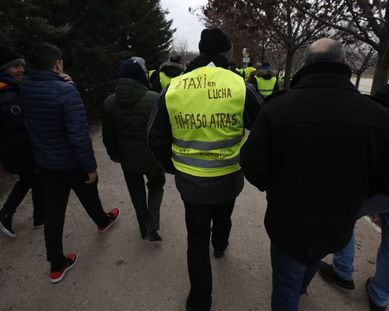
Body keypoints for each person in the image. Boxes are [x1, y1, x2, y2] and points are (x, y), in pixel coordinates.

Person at [240, 38, 389, 311]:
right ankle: (301, 287)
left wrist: (276, 187)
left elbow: (252, 163)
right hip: (338, 219)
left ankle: (297, 290)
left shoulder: (277, 108)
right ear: (344, 63)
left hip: (288, 217)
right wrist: (357, 191)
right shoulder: (378, 115)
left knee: (286, 283)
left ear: (306, 65)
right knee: (312, 258)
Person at [148, 28, 262, 311]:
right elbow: (264, 130)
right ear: (226, 55)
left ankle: (199, 301)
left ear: (200, 52)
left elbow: (154, 137)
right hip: (228, 177)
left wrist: (172, 167)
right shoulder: (239, 86)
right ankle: (221, 245)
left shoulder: (173, 88)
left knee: (196, 241)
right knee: (223, 216)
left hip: (191, 182)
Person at [319, 31, 389, 311]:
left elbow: (369, 134)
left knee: (342, 212)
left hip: (386, 182)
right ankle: (380, 296)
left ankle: (343, 270)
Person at [21, 43, 120, 283]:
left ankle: (56, 264)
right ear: (57, 63)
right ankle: (102, 221)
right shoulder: (65, 92)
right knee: (89, 193)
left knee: (54, 213)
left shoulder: (25, 89)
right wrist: (90, 167)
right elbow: (78, 134)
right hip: (71, 163)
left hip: (46, 162)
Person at [102, 57, 165, 241]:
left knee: (136, 192)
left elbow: (109, 135)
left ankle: (143, 228)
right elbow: (160, 130)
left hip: (127, 158)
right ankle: (153, 224)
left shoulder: (110, 102)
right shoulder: (154, 98)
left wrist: (114, 154)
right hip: (152, 157)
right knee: (156, 186)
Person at [0, 47, 44, 238]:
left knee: (32, 179)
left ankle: (39, 217)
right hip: (18, 151)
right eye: (16, 66)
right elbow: (17, 133)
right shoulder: (7, 95)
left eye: (21, 66)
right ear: (5, 69)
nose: (21, 70)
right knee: (30, 177)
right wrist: (32, 158)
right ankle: (6, 214)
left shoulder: (11, 88)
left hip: (16, 150)